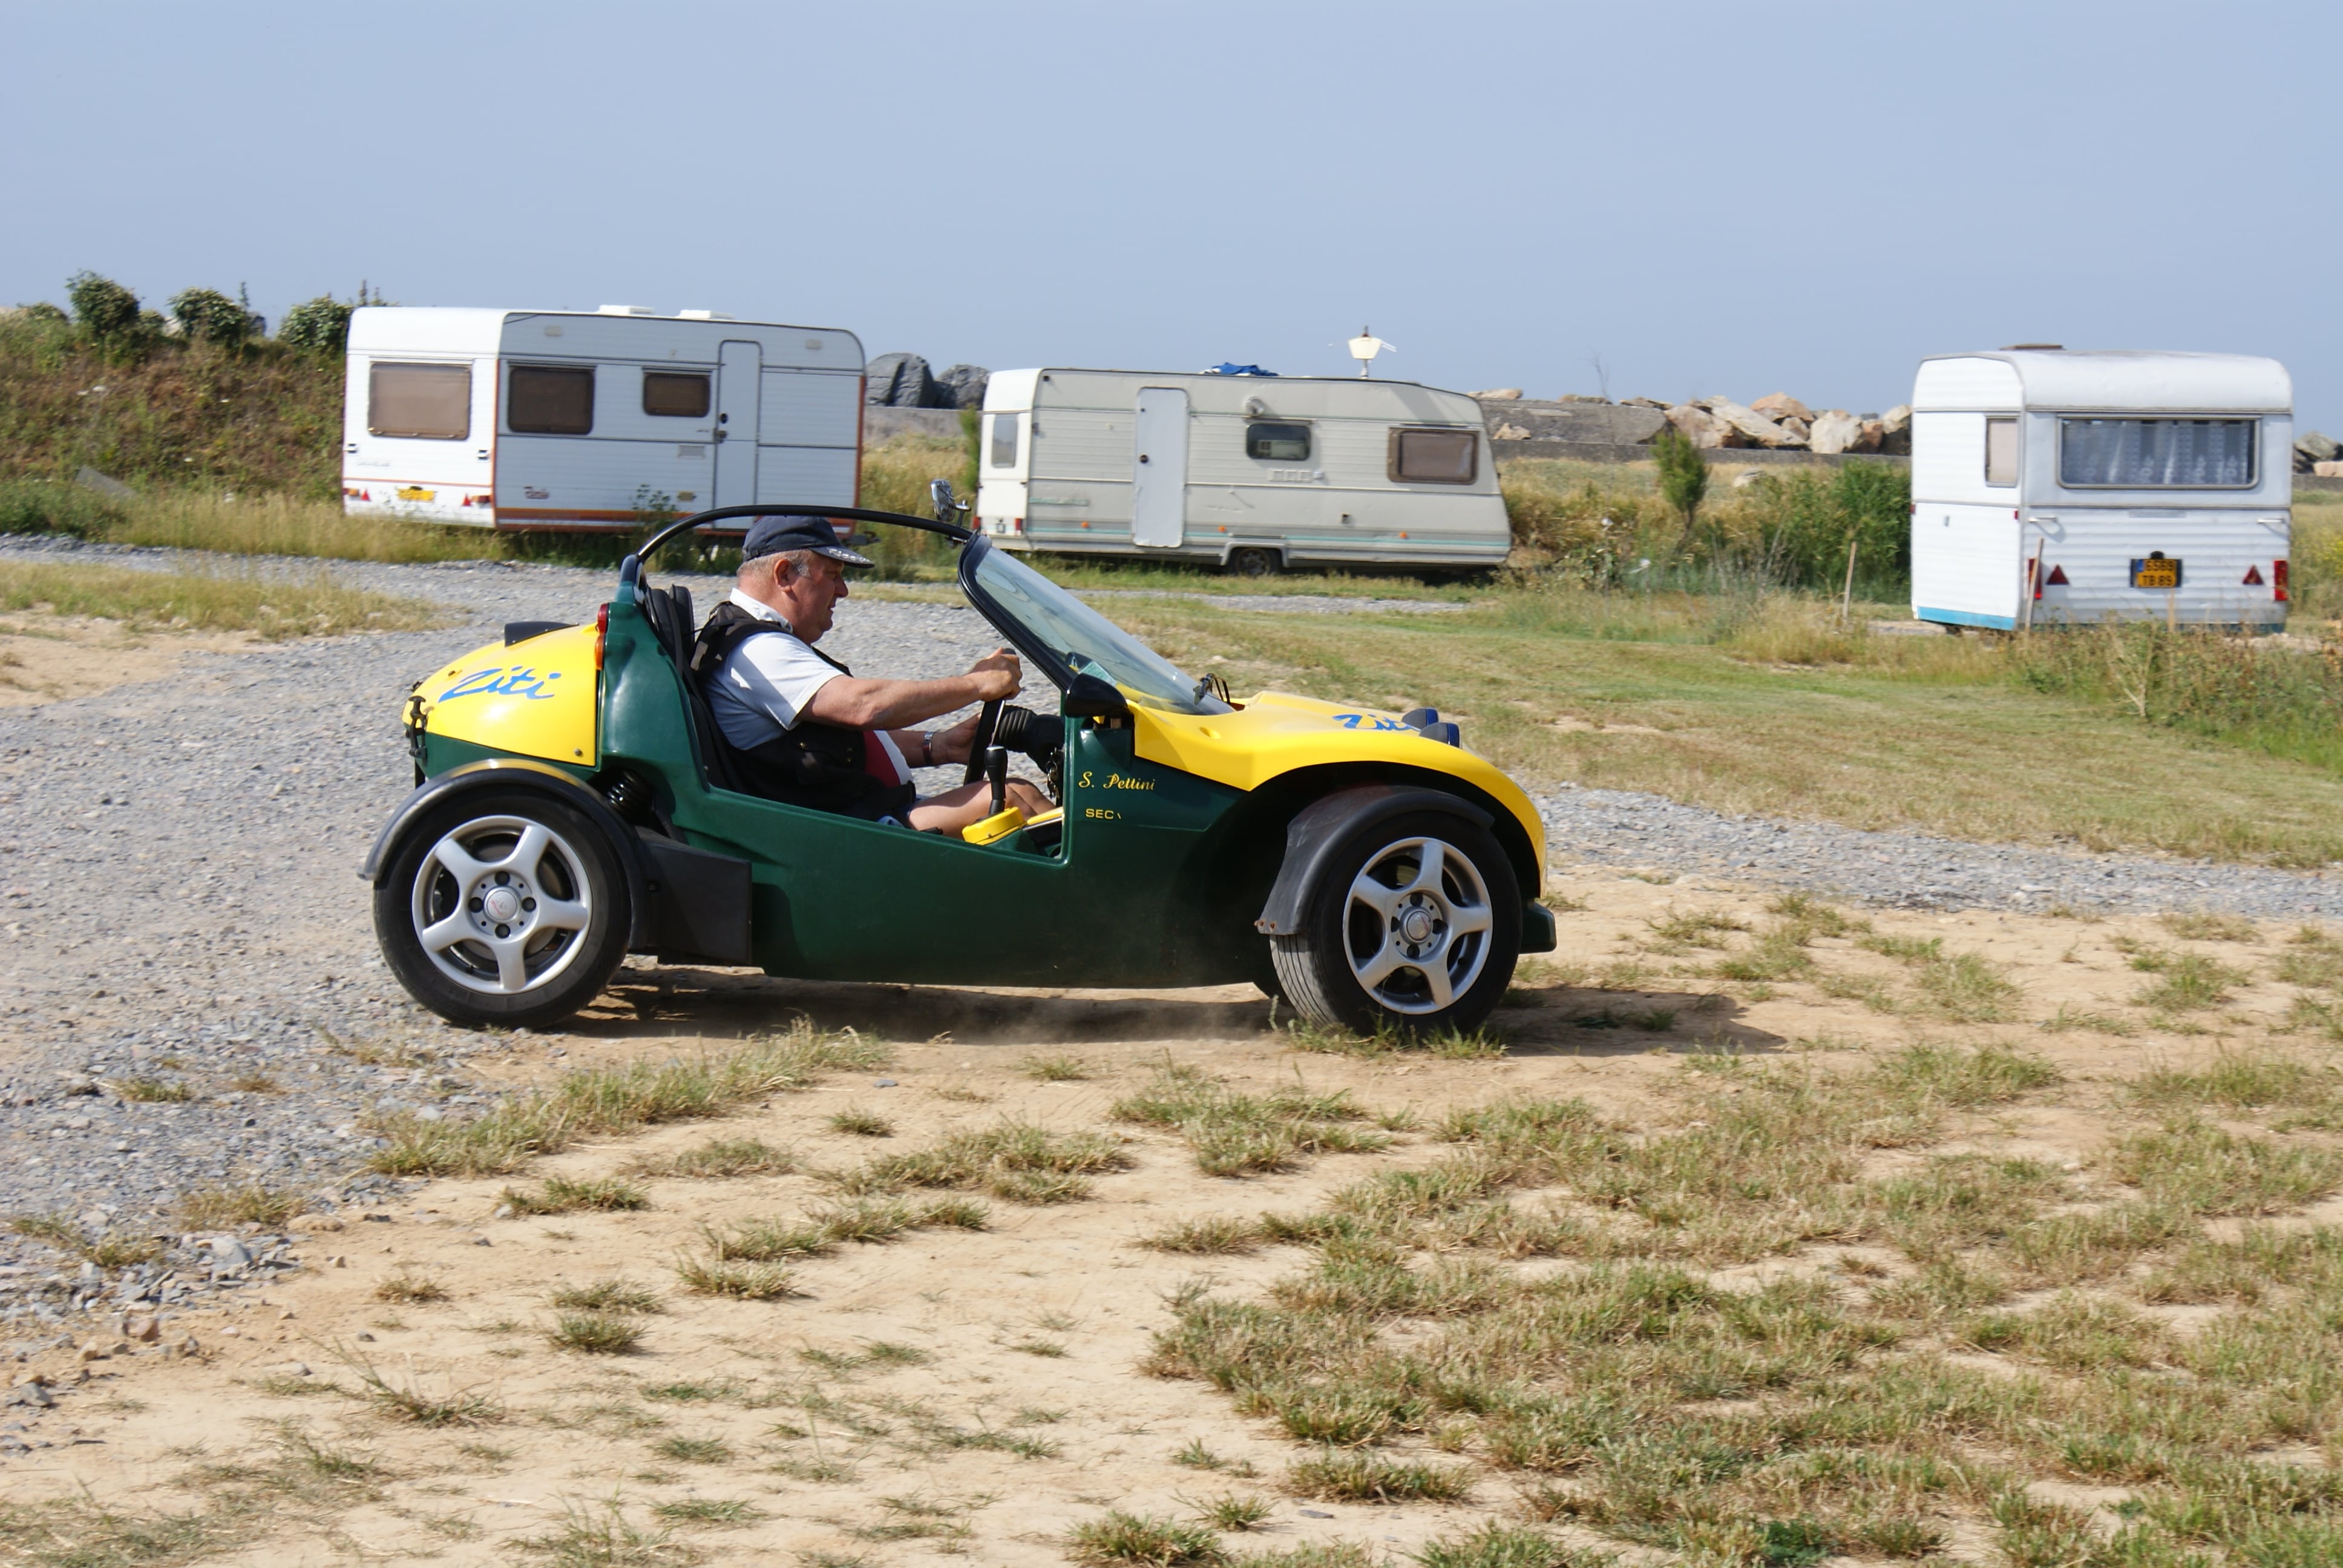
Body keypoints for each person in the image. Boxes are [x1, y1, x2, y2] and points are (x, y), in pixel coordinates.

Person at [693, 514, 1050, 832]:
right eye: (832, 575)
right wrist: (976, 684)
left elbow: (832, 740)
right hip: (843, 836)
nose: (843, 591)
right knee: (1016, 798)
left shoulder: (753, 638)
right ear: (784, 574)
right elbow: (863, 706)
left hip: (852, 818)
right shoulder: (758, 651)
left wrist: (938, 747)